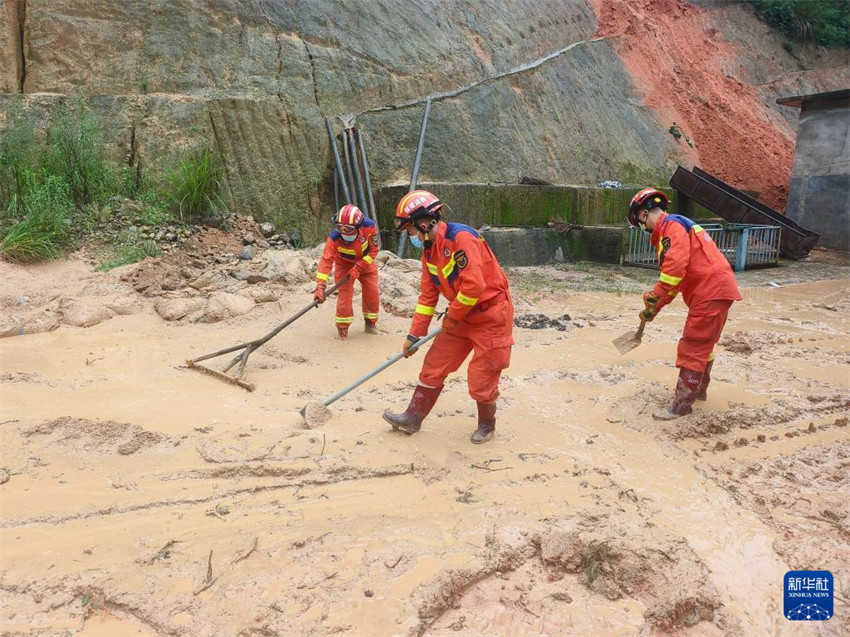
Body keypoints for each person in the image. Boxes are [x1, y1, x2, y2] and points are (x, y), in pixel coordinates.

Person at [383, 190, 514, 444]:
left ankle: (487, 424)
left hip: (490, 315)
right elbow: (427, 296)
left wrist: (452, 318)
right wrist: (414, 335)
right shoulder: (429, 251)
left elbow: (473, 287)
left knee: (482, 375)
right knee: (434, 365)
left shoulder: (462, 239)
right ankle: (413, 417)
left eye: (410, 231)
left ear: (423, 223)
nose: (411, 237)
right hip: (460, 314)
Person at [628, 188, 742, 420]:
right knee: (704, 345)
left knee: (694, 345)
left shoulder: (671, 227)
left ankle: (680, 407)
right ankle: (698, 393)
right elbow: (675, 282)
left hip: (709, 291)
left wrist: (655, 294)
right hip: (716, 289)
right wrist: (654, 307)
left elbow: (674, 270)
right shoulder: (677, 226)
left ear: (642, 214)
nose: (644, 229)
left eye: (639, 223)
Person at [314, 204, 380, 339]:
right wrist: (320, 286)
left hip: (365, 263)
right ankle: (343, 330)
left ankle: (370, 324)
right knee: (345, 295)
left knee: (372, 291)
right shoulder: (334, 237)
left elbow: (374, 250)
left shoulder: (369, 226)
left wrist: (358, 267)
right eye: (340, 228)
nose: (343, 232)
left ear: (358, 227)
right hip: (343, 265)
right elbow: (326, 261)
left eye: (348, 229)